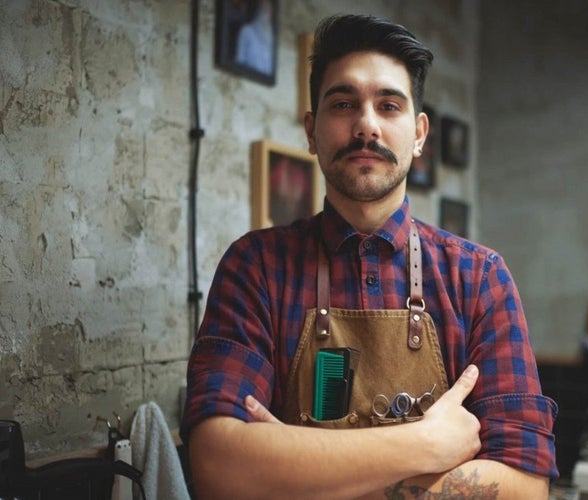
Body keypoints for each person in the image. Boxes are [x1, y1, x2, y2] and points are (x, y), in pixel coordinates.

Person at [181, 13, 558, 499]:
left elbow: (526, 488)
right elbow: (217, 468)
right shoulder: (255, 267)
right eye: (343, 103)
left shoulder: (479, 277)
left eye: (389, 105)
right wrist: (422, 444)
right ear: (312, 131)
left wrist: (294, 466)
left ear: (420, 134)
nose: (365, 124)